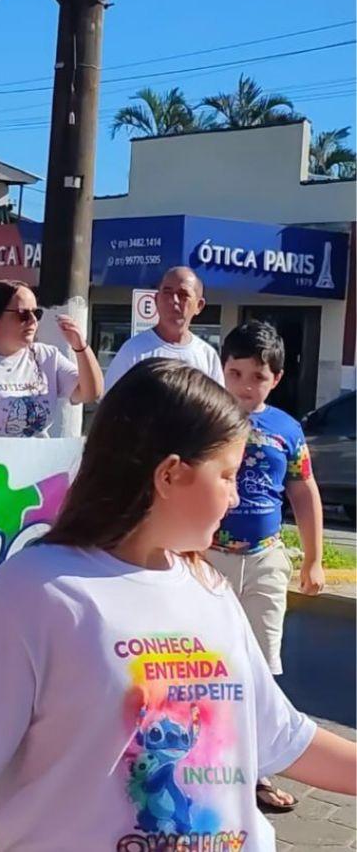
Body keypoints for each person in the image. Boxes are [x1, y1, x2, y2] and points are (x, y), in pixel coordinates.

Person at [0, 359, 357, 852]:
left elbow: (284, 738)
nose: (234, 498)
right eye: (227, 475)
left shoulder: (209, 589)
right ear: (169, 475)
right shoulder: (41, 590)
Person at [210, 321, 326, 814]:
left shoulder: (285, 429)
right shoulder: (206, 419)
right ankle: (199, 762)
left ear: (275, 378)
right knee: (202, 663)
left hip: (264, 561)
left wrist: (315, 558)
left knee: (260, 668)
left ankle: (255, 771)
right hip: (206, 561)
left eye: (256, 376)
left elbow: (303, 489)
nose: (244, 386)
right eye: (234, 373)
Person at [0, 279, 102, 437]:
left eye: (36, 313)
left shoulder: (45, 356)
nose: (33, 321)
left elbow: (90, 393)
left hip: (38, 458)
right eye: (23, 315)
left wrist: (80, 346)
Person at [104, 265, 223, 390]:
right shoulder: (133, 351)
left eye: (183, 295)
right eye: (167, 292)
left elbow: (218, 407)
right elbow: (109, 404)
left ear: (199, 305)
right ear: (156, 299)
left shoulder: (207, 356)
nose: (174, 300)